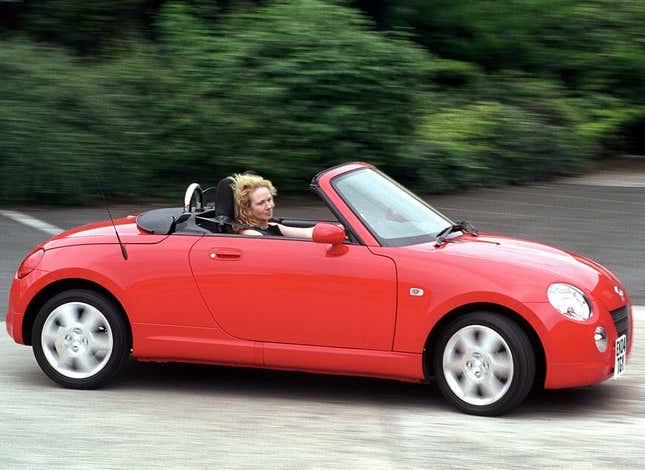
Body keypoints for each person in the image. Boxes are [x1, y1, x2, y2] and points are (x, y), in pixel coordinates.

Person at [232, 173, 314, 238]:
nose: (269, 206)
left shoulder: (271, 226)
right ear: (247, 209)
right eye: (261, 203)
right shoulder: (251, 234)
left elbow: (307, 233)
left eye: (269, 199)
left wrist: (325, 230)